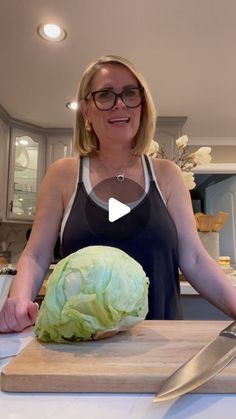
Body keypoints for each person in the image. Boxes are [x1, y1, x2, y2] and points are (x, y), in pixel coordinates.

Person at [1, 54, 236, 333]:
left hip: (161, 345)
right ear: (87, 110)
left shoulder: (167, 174)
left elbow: (195, 259)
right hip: (82, 347)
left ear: (142, 106)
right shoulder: (62, 175)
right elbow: (36, 255)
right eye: (105, 95)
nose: (120, 103)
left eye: (130, 93)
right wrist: (17, 300)